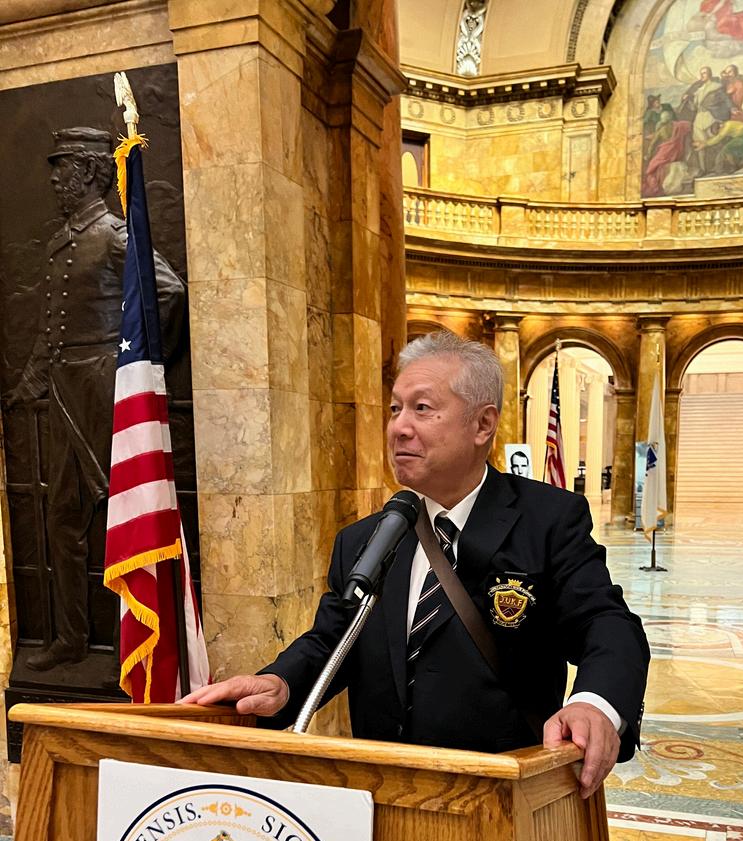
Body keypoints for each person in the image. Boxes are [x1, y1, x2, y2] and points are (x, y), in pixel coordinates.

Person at [183, 331, 650, 800]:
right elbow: (333, 639)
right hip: (380, 794)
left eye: (422, 408)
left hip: (497, 799)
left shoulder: (546, 520)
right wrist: (280, 682)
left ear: (483, 424)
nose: (399, 428)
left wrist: (595, 704)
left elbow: (606, 624)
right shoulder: (364, 539)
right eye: (395, 409)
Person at [8, 128, 184, 671]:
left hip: (107, 392)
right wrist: (28, 384)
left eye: (62, 167)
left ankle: (128, 649)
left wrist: (142, 367)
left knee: (120, 514)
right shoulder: (61, 240)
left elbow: (168, 291)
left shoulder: (114, 235)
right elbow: (51, 329)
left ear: (87, 172)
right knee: (63, 516)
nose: (54, 180)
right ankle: (71, 640)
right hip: (65, 393)